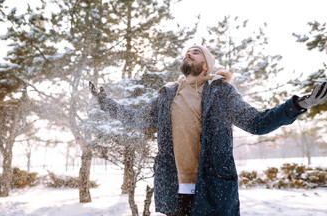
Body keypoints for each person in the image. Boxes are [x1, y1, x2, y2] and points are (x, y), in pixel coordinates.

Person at [89, 45, 327, 216]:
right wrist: (105, 103)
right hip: (175, 188)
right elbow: (136, 118)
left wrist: (298, 104)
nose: (188, 54)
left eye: (195, 52)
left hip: (212, 188)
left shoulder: (221, 92)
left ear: (206, 66)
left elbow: (257, 123)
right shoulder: (167, 94)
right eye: (187, 51)